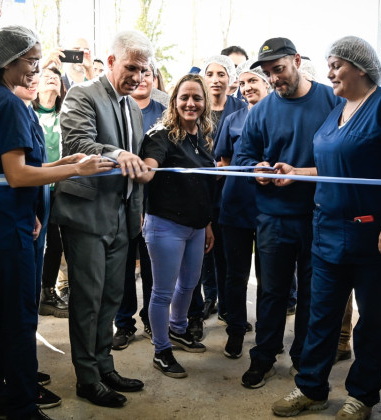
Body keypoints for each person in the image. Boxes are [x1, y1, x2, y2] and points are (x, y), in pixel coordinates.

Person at [270, 36, 381, 419]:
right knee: (321, 316)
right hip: (328, 234)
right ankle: (311, 388)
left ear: (360, 67)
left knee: (372, 322)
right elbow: (334, 167)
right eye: (329, 64)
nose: (329, 72)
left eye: (336, 64)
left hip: (377, 238)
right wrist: (297, 173)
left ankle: (362, 395)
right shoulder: (338, 110)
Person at [0, 26, 114, 420]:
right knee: (17, 320)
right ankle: (20, 406)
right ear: (6, 61)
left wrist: (65, 163)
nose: (36, 70)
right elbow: (16, 175)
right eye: (30, 62)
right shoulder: (10, 105)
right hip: (4, 228)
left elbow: (19, 168)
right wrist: (72, 172)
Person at [51, 29, 153, 408]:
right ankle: (87, 378)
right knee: (88, 299)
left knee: (111, 297)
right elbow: (78, 145)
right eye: (131, 67)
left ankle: (104, 365)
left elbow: (136, 164)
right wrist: (116, 152)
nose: (138, 77)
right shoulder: (82, 95)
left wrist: (137, 205)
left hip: (121, 217)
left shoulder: (133, 108)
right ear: (110, 61)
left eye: (143, 71)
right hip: (86, 216)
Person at [233, 37, 342, 389]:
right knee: (271, 292)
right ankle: (263, 357)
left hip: (320, 215)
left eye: (278, 70)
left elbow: (344, 154)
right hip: (273, 218)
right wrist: (258, 169)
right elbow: (243, 158)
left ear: (297, 60)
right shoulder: (262, 110)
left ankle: (304, 359)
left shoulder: (332, 100)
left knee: (315, 294)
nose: (274, 79)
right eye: (268, 74)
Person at [136, 73, 217, 378]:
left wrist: (207, 224)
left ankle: (178, 329)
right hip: (165, 225)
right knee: (162, 292)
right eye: (184, 97)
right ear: (174, 101)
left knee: (190, 283)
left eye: (197, 98)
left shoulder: (202, 136)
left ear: (205, 103)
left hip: (196, 227)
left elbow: (202, 185)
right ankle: (161, 350)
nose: (191, 103)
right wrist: (145, 170)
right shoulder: (160, 135)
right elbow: (151, 165)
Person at [214, 60, 270, 359]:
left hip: (269, 207)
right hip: (235, 206)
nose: (248, 87)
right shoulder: (232, 118)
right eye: (244, 82)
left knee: (268, 278)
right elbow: (222, 160)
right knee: (235, 275)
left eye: (255, 82)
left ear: (267, 85)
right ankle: (235, 330)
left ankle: (266, 336)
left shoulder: (278, 115)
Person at [189, 55, 247, 336]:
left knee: (225, 252)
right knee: (202, 250)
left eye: (221, 74)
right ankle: (206, 299)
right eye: (210, 73)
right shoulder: (195, 104)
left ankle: (228, 306)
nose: (216, 79)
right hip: (201, 186)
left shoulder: (241, 109)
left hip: (229, 190)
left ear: (230, 79)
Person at [112, 59, 167, 351]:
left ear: (155, 78)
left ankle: (150, 318)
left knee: (151, 267)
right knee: (122, 266)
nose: (142, 78)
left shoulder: (166, 114)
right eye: (137, 72)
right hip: (122, 202)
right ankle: (124, 323)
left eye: (148, 73)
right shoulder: (117, 109)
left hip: (155, 203)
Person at [29, 65, 71, 318]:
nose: (51, 80)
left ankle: (48, 291)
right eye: (46, 77)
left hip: (60, 187)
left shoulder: (65, 115)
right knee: (35, 239)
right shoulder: (28, 113)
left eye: (56, 78)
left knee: (56, 242)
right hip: (34, 186)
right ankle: (31, 290)